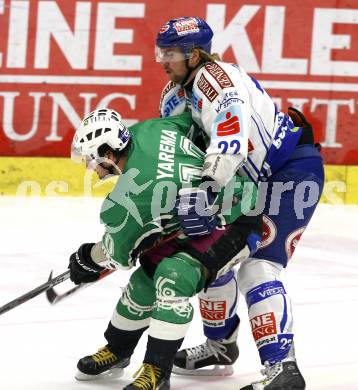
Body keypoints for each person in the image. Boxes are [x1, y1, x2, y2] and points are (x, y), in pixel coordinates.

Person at [155, 16, 324, 390]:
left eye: (171, 53)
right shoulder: (173, 96)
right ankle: (220, 346)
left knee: (258, 268)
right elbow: (174, 154)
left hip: (289, 173)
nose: (163, 61)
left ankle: (284, 370)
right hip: (244, 184)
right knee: (207, 256)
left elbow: (229, 142)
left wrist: (203, 192)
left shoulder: (218, 80)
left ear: (194, 54)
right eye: (160, 52)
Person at [68, 108, 262, 390]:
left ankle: (157, 372)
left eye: (92, 160)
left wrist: (87, 259)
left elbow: (116, 254)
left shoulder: (130, 199)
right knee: (143, 280)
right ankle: (118, 349)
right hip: (198, 214)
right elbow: (197, 124)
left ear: (108, 153)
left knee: (173, 278)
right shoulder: (150, 129)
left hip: (236, 217)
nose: (91, 168)